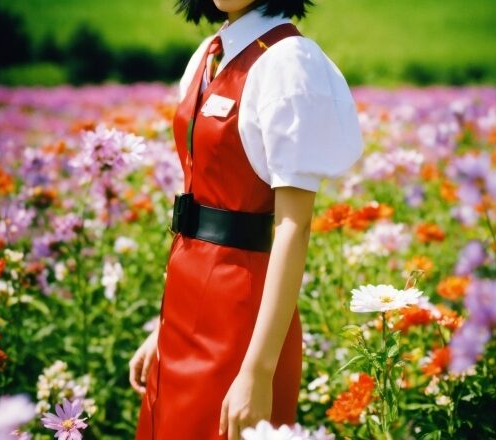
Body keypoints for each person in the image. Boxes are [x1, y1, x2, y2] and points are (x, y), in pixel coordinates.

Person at [129, 0, 363, 439]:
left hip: (242, 318)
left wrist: (257, 370)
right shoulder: (208, 54)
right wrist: (160, 331)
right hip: (182, 306)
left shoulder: (288, 62)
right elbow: (196, 203)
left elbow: (294, 225)